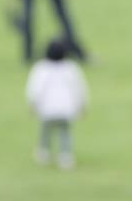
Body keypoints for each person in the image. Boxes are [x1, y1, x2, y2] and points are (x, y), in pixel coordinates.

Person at [25, 38, 88, 169]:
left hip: (47, 109)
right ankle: (66, 157)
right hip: (66, 109)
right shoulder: (71, 69)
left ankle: (44, 153)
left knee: (46, 130)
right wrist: (82, 106)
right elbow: (79, 88)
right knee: (65, 132)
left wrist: (33, 104)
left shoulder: (41, 68)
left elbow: (35, 88)